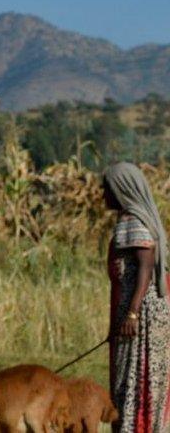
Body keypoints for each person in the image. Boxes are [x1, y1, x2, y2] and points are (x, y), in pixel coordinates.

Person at [104, 162, 170, 432]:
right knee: (142, 376)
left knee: (134, 376)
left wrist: (132, 312)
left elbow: (145, 264)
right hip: (143, 312)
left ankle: (136, 427)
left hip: (140, 315)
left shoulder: (133, 220)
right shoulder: (136, 218)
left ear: (121, 190)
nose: (103, 195)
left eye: (106, 189)